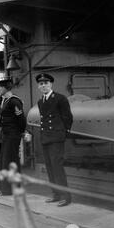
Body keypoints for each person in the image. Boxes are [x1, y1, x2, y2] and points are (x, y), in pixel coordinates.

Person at [36, 73, 73, 207]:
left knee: (57, 167)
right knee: (50, 168)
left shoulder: (60, 98)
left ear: (51, 84)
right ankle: (56, 194)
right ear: (38, 86)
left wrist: (64, 133)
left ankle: (66, 196)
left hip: (56, 138)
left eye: (46, 83)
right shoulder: (41, 102)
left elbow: (68, 117)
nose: (43, 85)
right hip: (46, 137)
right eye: (41, 84)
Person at [0, 77, 26, 196]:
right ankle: (7, 187)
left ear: (6, 88)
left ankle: (8, 189)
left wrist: (20, 132)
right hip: (6, 135)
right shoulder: (5, 100)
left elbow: (21, 119)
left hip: (13, 135)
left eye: (0, 87)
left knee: (9, 160)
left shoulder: (14, 101)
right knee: (5, 159)